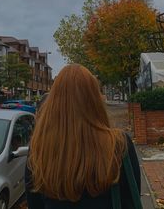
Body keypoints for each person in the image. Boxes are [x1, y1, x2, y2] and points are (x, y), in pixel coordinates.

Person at [25, 64, 141, 209]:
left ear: (53, 101)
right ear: (94, 99)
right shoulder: (119, 144)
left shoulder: (39, 148)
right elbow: (131, 201)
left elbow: (34, 204)